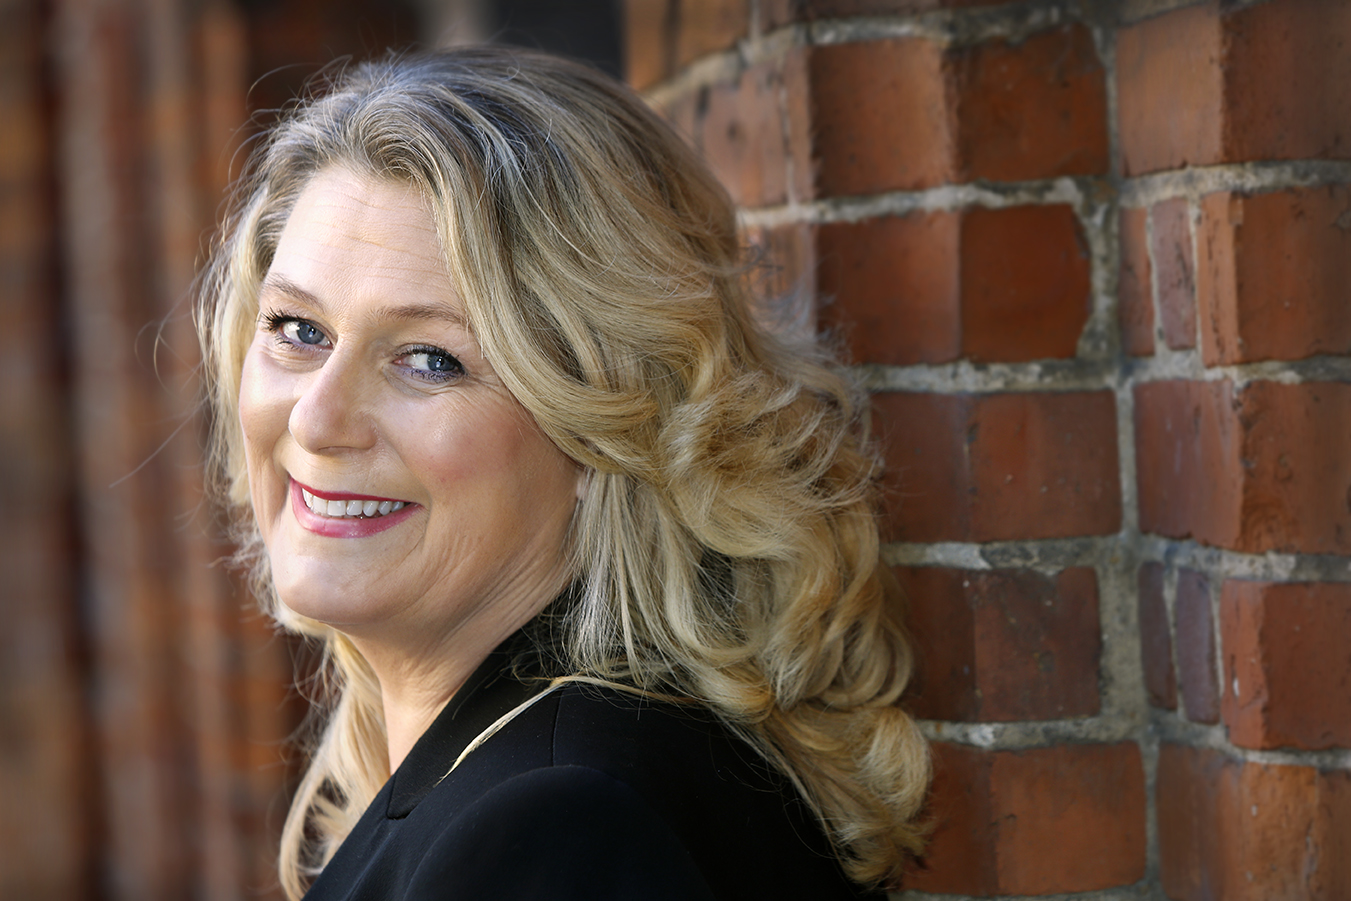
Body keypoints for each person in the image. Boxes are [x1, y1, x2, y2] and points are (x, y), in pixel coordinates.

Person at [197, 46, 930, 900]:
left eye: (429, 358)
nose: (316, 420)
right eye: (298, 329)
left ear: (603, 426)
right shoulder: (562, 770)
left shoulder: (557, 831)